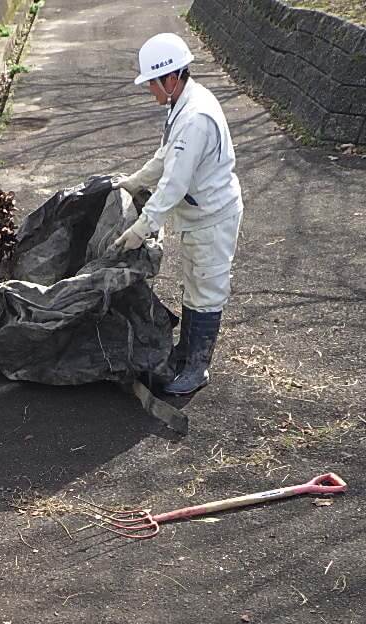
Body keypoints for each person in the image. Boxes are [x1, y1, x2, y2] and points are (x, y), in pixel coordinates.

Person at [111, 33, 243, 396]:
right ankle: (185, 352)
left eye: (151, 83)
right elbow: (166, 156)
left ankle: (197, 367)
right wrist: (134, 181)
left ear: (171, 78)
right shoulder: (182, 105)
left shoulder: (195, 118)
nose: (150, 91)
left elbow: (174, 184)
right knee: (196, 284)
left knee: (207, 289)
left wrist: (142, 227)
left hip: (212, 217)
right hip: (199, 216)